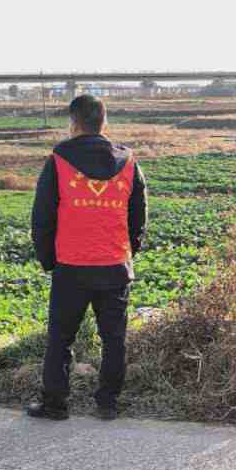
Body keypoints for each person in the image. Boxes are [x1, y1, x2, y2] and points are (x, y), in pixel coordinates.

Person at [27, 93, 147, 422]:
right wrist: (128, 251)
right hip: (114, 265)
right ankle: (108, 403)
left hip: (71, 266)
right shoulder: (128, 161)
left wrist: (48, 259)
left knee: (61, 338)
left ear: (74, 123)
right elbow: (138, 215)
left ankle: (55, 404)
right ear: (104, 122)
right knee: (114, 339)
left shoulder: (58, 159)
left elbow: (42, 217)